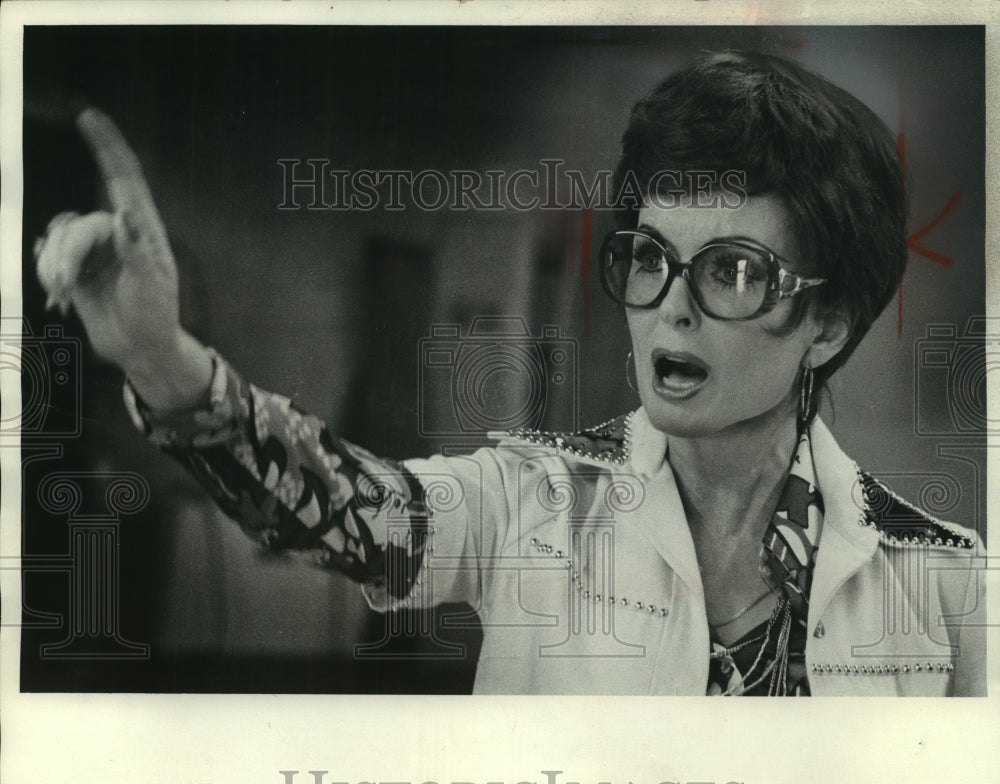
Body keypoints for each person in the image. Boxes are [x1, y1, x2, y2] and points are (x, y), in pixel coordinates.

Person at [33, 51, 985, 696]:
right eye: (650, 256)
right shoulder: (530, 502)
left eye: (734, 270)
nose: (672, 306)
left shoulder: (946, 584)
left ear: (825, 325)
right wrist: (160, 357)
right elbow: (351, 512)